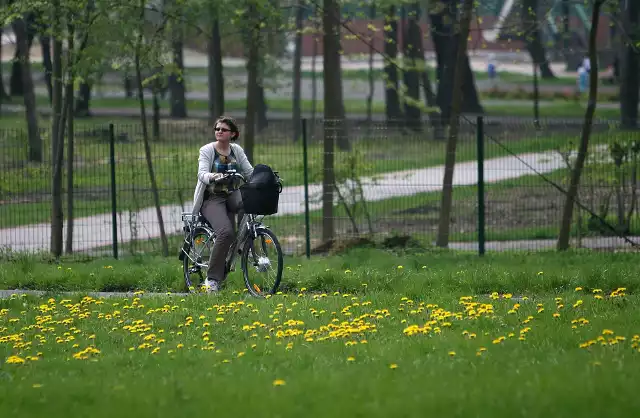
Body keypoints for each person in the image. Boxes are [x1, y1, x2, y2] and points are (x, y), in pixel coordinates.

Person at [191, 116, 253, 292]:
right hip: (213, 199)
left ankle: (242, 243)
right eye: (217, 129)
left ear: (232, 134)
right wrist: (212, 176)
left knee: (249, 203)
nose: (219, 131)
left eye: (223, 129)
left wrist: (264, 178)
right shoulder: (207, 150)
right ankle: (212, 280)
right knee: (225, 233)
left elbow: (249, 172)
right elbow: (201, 173)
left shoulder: (236, 150)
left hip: (232, 195)